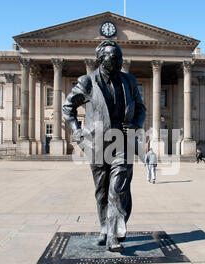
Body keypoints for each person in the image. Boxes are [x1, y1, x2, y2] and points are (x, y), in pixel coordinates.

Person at [62, 40, 146, 252]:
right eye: (114, 58)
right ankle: (104, 227)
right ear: (101, 59)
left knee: (117, 189)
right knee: (101, 191)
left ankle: (113, 236)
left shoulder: (129, 80)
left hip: (123, 142)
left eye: (120, 57)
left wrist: (135, 124)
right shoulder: (88, 82)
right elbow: (67, 107)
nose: (119, 62)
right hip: (96, 144)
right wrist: (78, 133)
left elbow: (141, 108)